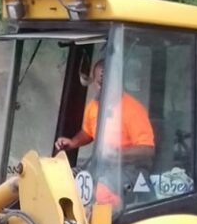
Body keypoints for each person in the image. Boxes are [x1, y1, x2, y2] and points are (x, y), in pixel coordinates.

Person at [54, 60, 155, 206]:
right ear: (95, 82)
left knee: (100, 191)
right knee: (62, 180)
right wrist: (73, 142)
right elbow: (87, 132)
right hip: (101, 164)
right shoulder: (94, 107)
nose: (104, 88)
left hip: (131, 169)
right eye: (100, 84)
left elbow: (147, 150)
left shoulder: (133, 109)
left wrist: (118, 153)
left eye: (109, 83)